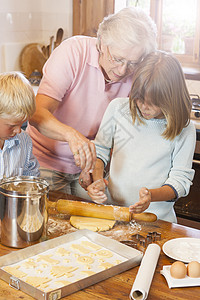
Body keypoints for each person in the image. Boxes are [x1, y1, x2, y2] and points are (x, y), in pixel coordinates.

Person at [26, 7, 157, 194]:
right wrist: (72, 136)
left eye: (132, 63)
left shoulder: (138, 74)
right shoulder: (72, 52)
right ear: (102, 43)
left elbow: (122, 133)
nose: (122, 70)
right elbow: (36, 114)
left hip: (91, 166)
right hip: (45, 161)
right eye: (117, 59)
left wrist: (97, 165)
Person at [81, 51, 196, 223]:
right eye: (139, 99)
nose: (143, 107)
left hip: (156, 220)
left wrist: (150, 196)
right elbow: (101, 150)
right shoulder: (118, 109)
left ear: (170, 98)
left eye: (152, 103)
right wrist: (97, 180)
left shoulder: (184, 129)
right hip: (113, 213)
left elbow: (180, 181)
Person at [0, 72, 40, 179]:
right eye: (12, 125)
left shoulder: (25, 141)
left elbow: (31, 174)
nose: (18, 130)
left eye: (21, 124)